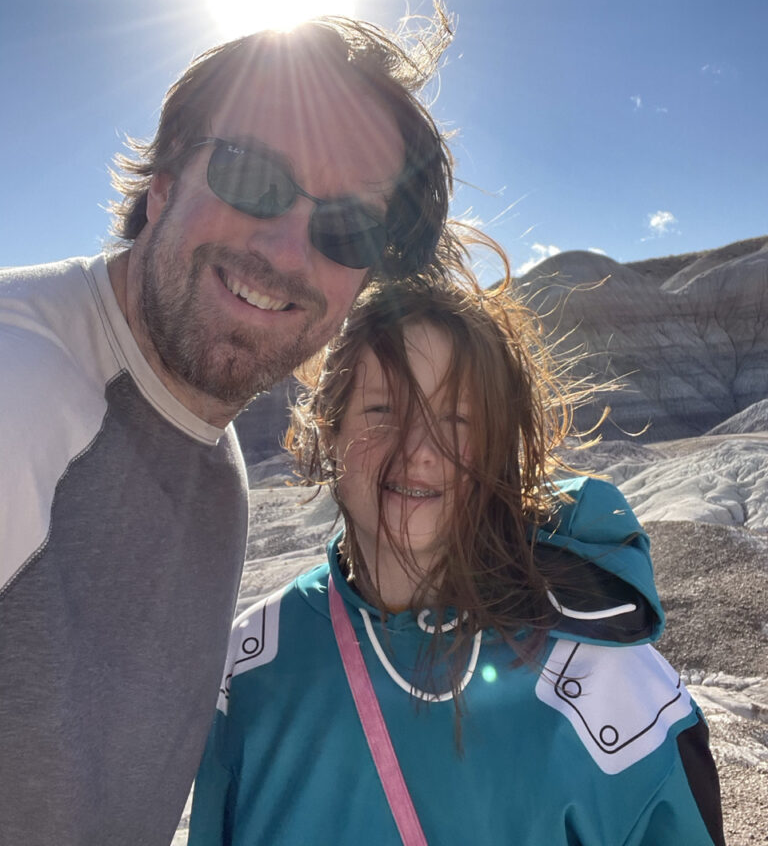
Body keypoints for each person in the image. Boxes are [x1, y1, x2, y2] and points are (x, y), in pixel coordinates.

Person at [0, 9, 460, 846]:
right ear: (163, 184)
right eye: (252, 175)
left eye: (349, 226)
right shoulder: (19, 389)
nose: (288, 251)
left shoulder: (211, 456)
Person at [189, 274, 725, 846]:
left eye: (456, 421)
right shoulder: (250, 667)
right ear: (328, 430)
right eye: (381, 409)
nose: (418, 450)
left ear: (497, 449)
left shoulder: (609, 684)